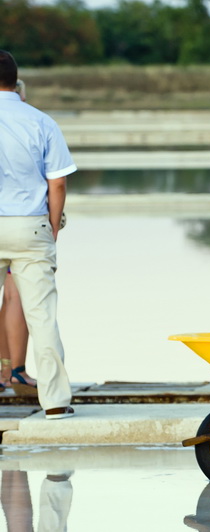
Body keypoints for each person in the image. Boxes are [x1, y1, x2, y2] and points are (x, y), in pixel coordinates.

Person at [0, 50, 74, 419]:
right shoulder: (41, 121)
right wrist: (52, 227)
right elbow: (57, 183)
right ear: (16, 81)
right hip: (30, 224)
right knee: (42, 315)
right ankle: (56, 402)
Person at [0, 78, 38, 396]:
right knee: (16, 296)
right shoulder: (31, 126)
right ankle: (15, 370)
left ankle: (5, 370)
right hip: (22, 223)